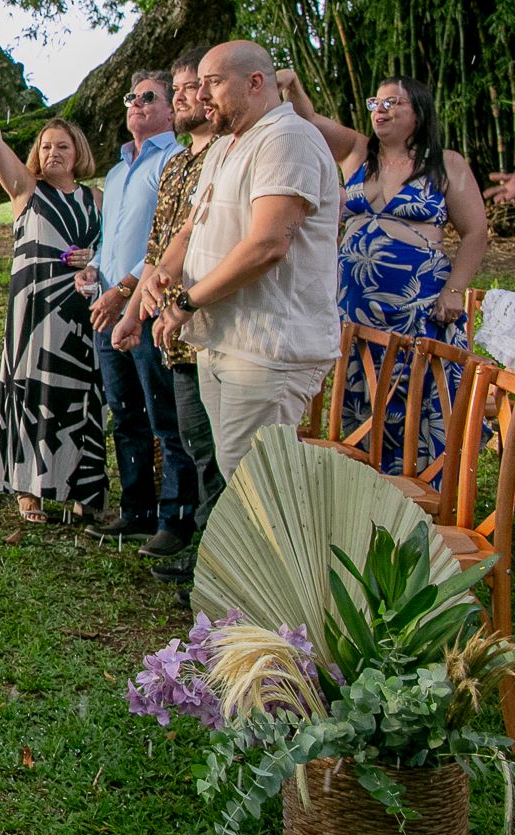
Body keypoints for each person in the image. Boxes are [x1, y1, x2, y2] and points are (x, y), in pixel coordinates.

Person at [147, 41, 341, 483]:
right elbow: (192, 227)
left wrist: (186, 302)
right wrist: (166, 271)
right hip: (223, 339)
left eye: (212, 83)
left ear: (256, 83)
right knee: (238, 479)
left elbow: (268, 244)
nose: (200, 96)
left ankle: (286, 556)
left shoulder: (286, 138)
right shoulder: (224, 147)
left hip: (268, 346)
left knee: (257, 487)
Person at [276, 71, 488, 474]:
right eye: (376, 103)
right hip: (356, 312)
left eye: (394, 102)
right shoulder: (358, 152)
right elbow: (310, 120)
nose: (381, 110)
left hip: (418, 312)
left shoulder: (445, 164)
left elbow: (476, 232)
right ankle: (366, 492)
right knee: (361, 400)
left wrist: (455, 291)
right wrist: (293, 86)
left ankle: (422, 493)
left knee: (416, 402)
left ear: (419, 113)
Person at [0, 42, 107, 525]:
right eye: (46, 146)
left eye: (62, 146)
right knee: (33, 389)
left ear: (78, 152)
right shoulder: (25, 189)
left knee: (80, 391)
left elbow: (119, 248)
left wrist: (99, 258)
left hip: (81, 309)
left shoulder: (97, 199)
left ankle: (79, 488)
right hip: (33, 312)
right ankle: (29, 488)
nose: (52, 153)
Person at [112, 54, 226, 581]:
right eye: (176, 89)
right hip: (167, 321)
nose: (184, 97)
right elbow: (161, 245)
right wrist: (137, 310)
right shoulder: (180, 163)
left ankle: (206, 546)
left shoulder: (224, 156)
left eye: (188, 89)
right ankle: (199, 544)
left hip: (212, 324)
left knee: (210, 445)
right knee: (184, 432)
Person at [80, 70, 196, 551]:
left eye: (149, 97)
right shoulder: (116, 169)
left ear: (172, 110)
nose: (136, 104)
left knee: (164, 415)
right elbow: (113, 237)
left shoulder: (177, 161)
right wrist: (91, 268)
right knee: (125, 414)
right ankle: (136, 510)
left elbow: (168, 242)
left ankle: (176, 519)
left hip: (152, 305)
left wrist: (126, 290)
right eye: (131, 97)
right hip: (107, 306)